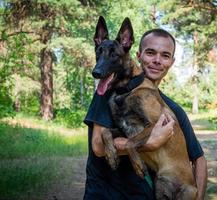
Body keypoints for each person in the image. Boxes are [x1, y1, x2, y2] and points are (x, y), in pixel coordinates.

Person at [83, 28, 207, 200]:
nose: (157, 60)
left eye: (165, 55)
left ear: (171, 61)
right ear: (138, 55)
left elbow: (199, 158)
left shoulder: (173, 109)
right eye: (150, 53)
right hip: (105, 195)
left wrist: (198, 197)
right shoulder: (110, 89)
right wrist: (150, 143)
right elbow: (97, 146)